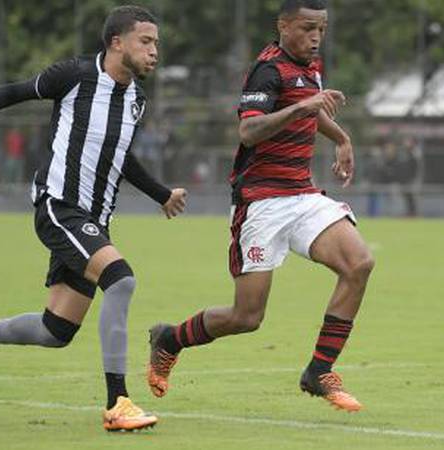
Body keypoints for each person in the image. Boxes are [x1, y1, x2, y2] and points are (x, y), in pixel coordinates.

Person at [0, 5, 187, 431]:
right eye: (145, 41)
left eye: (156, 43)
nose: (155, 51)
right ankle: (118, 403)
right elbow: (19, 89)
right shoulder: (74, 75)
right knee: (122, 278)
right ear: (117, 43)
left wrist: (162, 194)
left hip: (95, 219)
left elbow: (121, 158)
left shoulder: (137, 98)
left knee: (54, 330)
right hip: (59, 206)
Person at [145, 0, 374, 412]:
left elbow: (311, 109)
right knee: (247, 318)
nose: (316, 37)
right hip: (261, 202)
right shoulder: (266, 69)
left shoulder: (308, 68)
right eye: (307, 28)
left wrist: (340, 137)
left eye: (321, 29)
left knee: (359, 263)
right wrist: (303, 106)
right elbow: (249, 130)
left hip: (302, 196)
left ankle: (319, 370)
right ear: (283, 26)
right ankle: (169, 338)